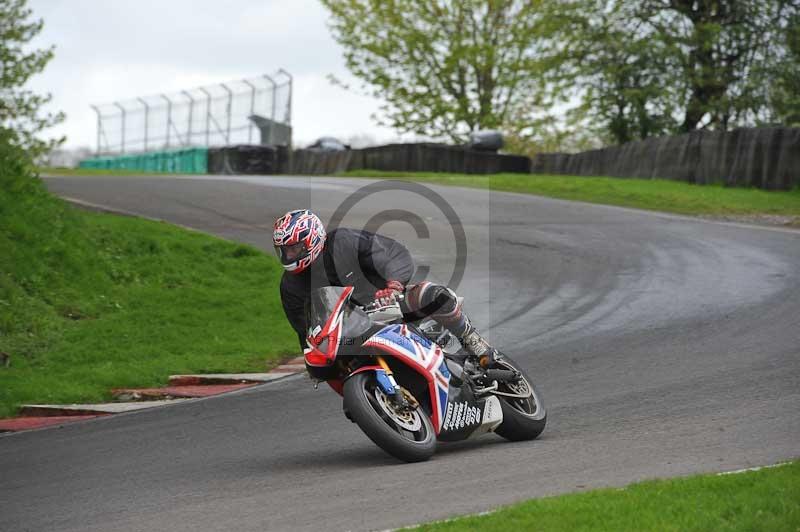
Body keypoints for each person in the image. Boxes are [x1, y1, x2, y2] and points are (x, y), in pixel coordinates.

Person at [273, 209, 499, 367]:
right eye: (285, 250)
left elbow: (391, 254)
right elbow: (304, 329)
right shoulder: (290, 285)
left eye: (294, 248)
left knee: (430, 295)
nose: (289, 255)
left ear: (312, 239)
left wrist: (393, 285)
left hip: (388, 305)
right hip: (351, 334)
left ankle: (471, 339)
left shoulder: (344, 241)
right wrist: (313, 356)